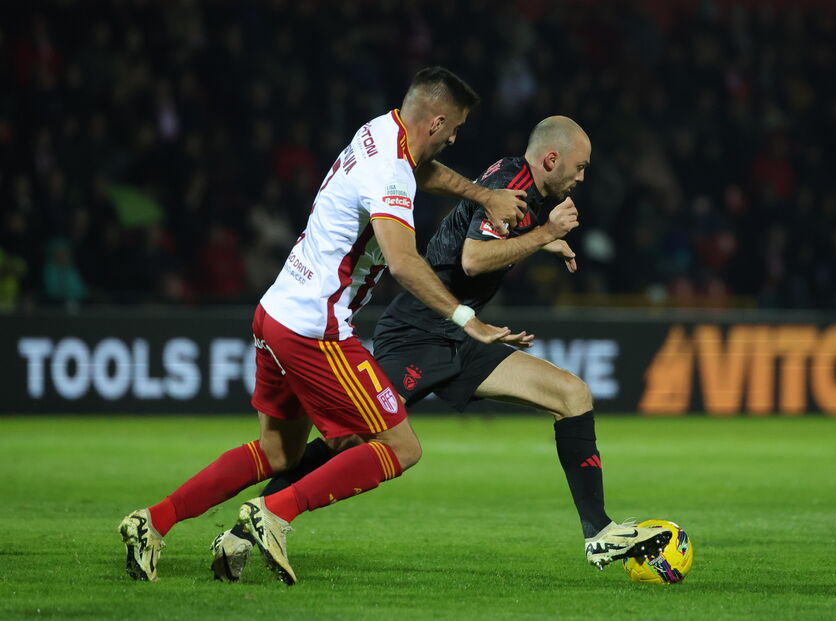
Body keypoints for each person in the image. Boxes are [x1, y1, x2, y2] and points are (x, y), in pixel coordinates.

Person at [210, 116, 671, 583]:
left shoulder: (523, 188)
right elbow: (473, 259)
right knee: (351, 440)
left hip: (463, 337)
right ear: (551, 159)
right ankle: (250, 527)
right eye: (580, 166)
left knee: (572, 395)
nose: (582, 177)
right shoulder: (513, 183)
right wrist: (545, 236)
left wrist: (537, 242)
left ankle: (598, 532)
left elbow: (487, 239)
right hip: (419, 331)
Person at [118, 67, 532, 584]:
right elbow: (403, 263)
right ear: (437, 122)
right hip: (317, 329)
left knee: (279, 451)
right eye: (456, 128)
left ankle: (152, 523)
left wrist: (482, 196)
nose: (455, 139)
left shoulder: (380, 131)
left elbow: (422, 172)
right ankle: (273, 514)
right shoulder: (391, 171)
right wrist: (466, 318)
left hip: (275, 312)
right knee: (402, 448)